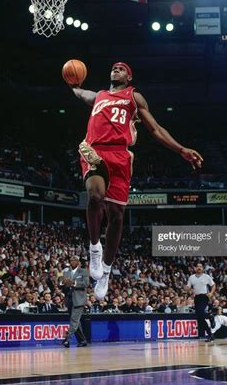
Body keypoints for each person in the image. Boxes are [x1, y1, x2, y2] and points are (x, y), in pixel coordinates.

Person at [71, 62, 203, 299]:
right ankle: (94, 249)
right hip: (94, 150)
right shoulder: (100, 95)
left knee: (117, 216)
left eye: (121, 69)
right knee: (94, 197)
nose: (115, 70)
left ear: (129, 77)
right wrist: (73, 84)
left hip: (120, 155)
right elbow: (82, 94)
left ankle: (107, 270)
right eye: (113, 68)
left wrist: (181, 149)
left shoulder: (134, 97)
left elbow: (156, 129)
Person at [61, 255, 89, 348]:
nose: (72, 261)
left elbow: (86, 283)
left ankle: (66, 338)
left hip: (79, 300)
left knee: (74, 320)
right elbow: (63, 286)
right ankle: (82, 340)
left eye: (74, 260)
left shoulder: (83, 271)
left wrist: (74, 283)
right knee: (75, 322)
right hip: (69, 299)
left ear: (78, 262)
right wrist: (64, 284)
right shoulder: (66, 272)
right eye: (71, 260)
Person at [186, 262, 216, 342]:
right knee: (200, 318)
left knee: (200, 314)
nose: (199, 268)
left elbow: (213, 285)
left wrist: (211, 293)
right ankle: (210, 335)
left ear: (202, 268)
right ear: (195, 268)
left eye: (200, 266)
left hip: (204, 296)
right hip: (196, 298)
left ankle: (209, 316)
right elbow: (188, 287)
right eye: (197, 266)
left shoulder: (206, 276)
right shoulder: (191, 277)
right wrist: (187, 289)